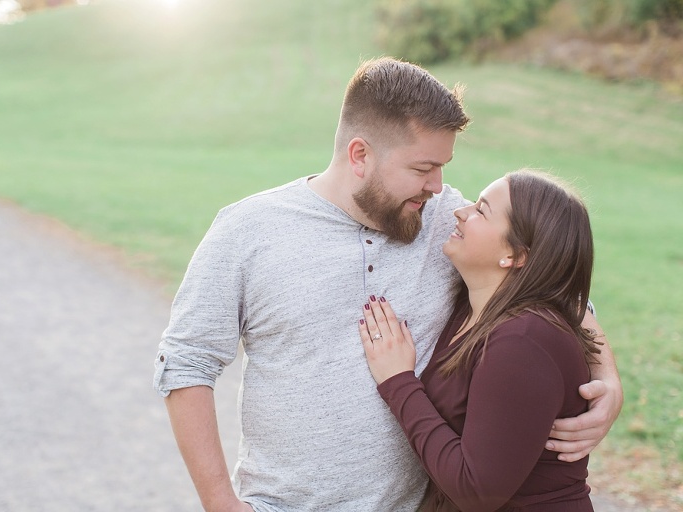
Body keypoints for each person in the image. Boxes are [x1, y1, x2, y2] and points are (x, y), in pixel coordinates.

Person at [153, 57, 623, 512]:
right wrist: (221, 504)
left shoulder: (442, 220)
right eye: (422, 169)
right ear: (360, 155)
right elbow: (186, 363)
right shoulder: (248, 230)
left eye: (444, 166)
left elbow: (541, 285)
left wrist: (607, 379)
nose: (438, 186)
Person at [360, 170, 601, 511]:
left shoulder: (525, 341)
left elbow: (477, 492)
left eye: (482, 211)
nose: (460, 212)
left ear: (516, 255)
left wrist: (398, 382)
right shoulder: (472, 307)